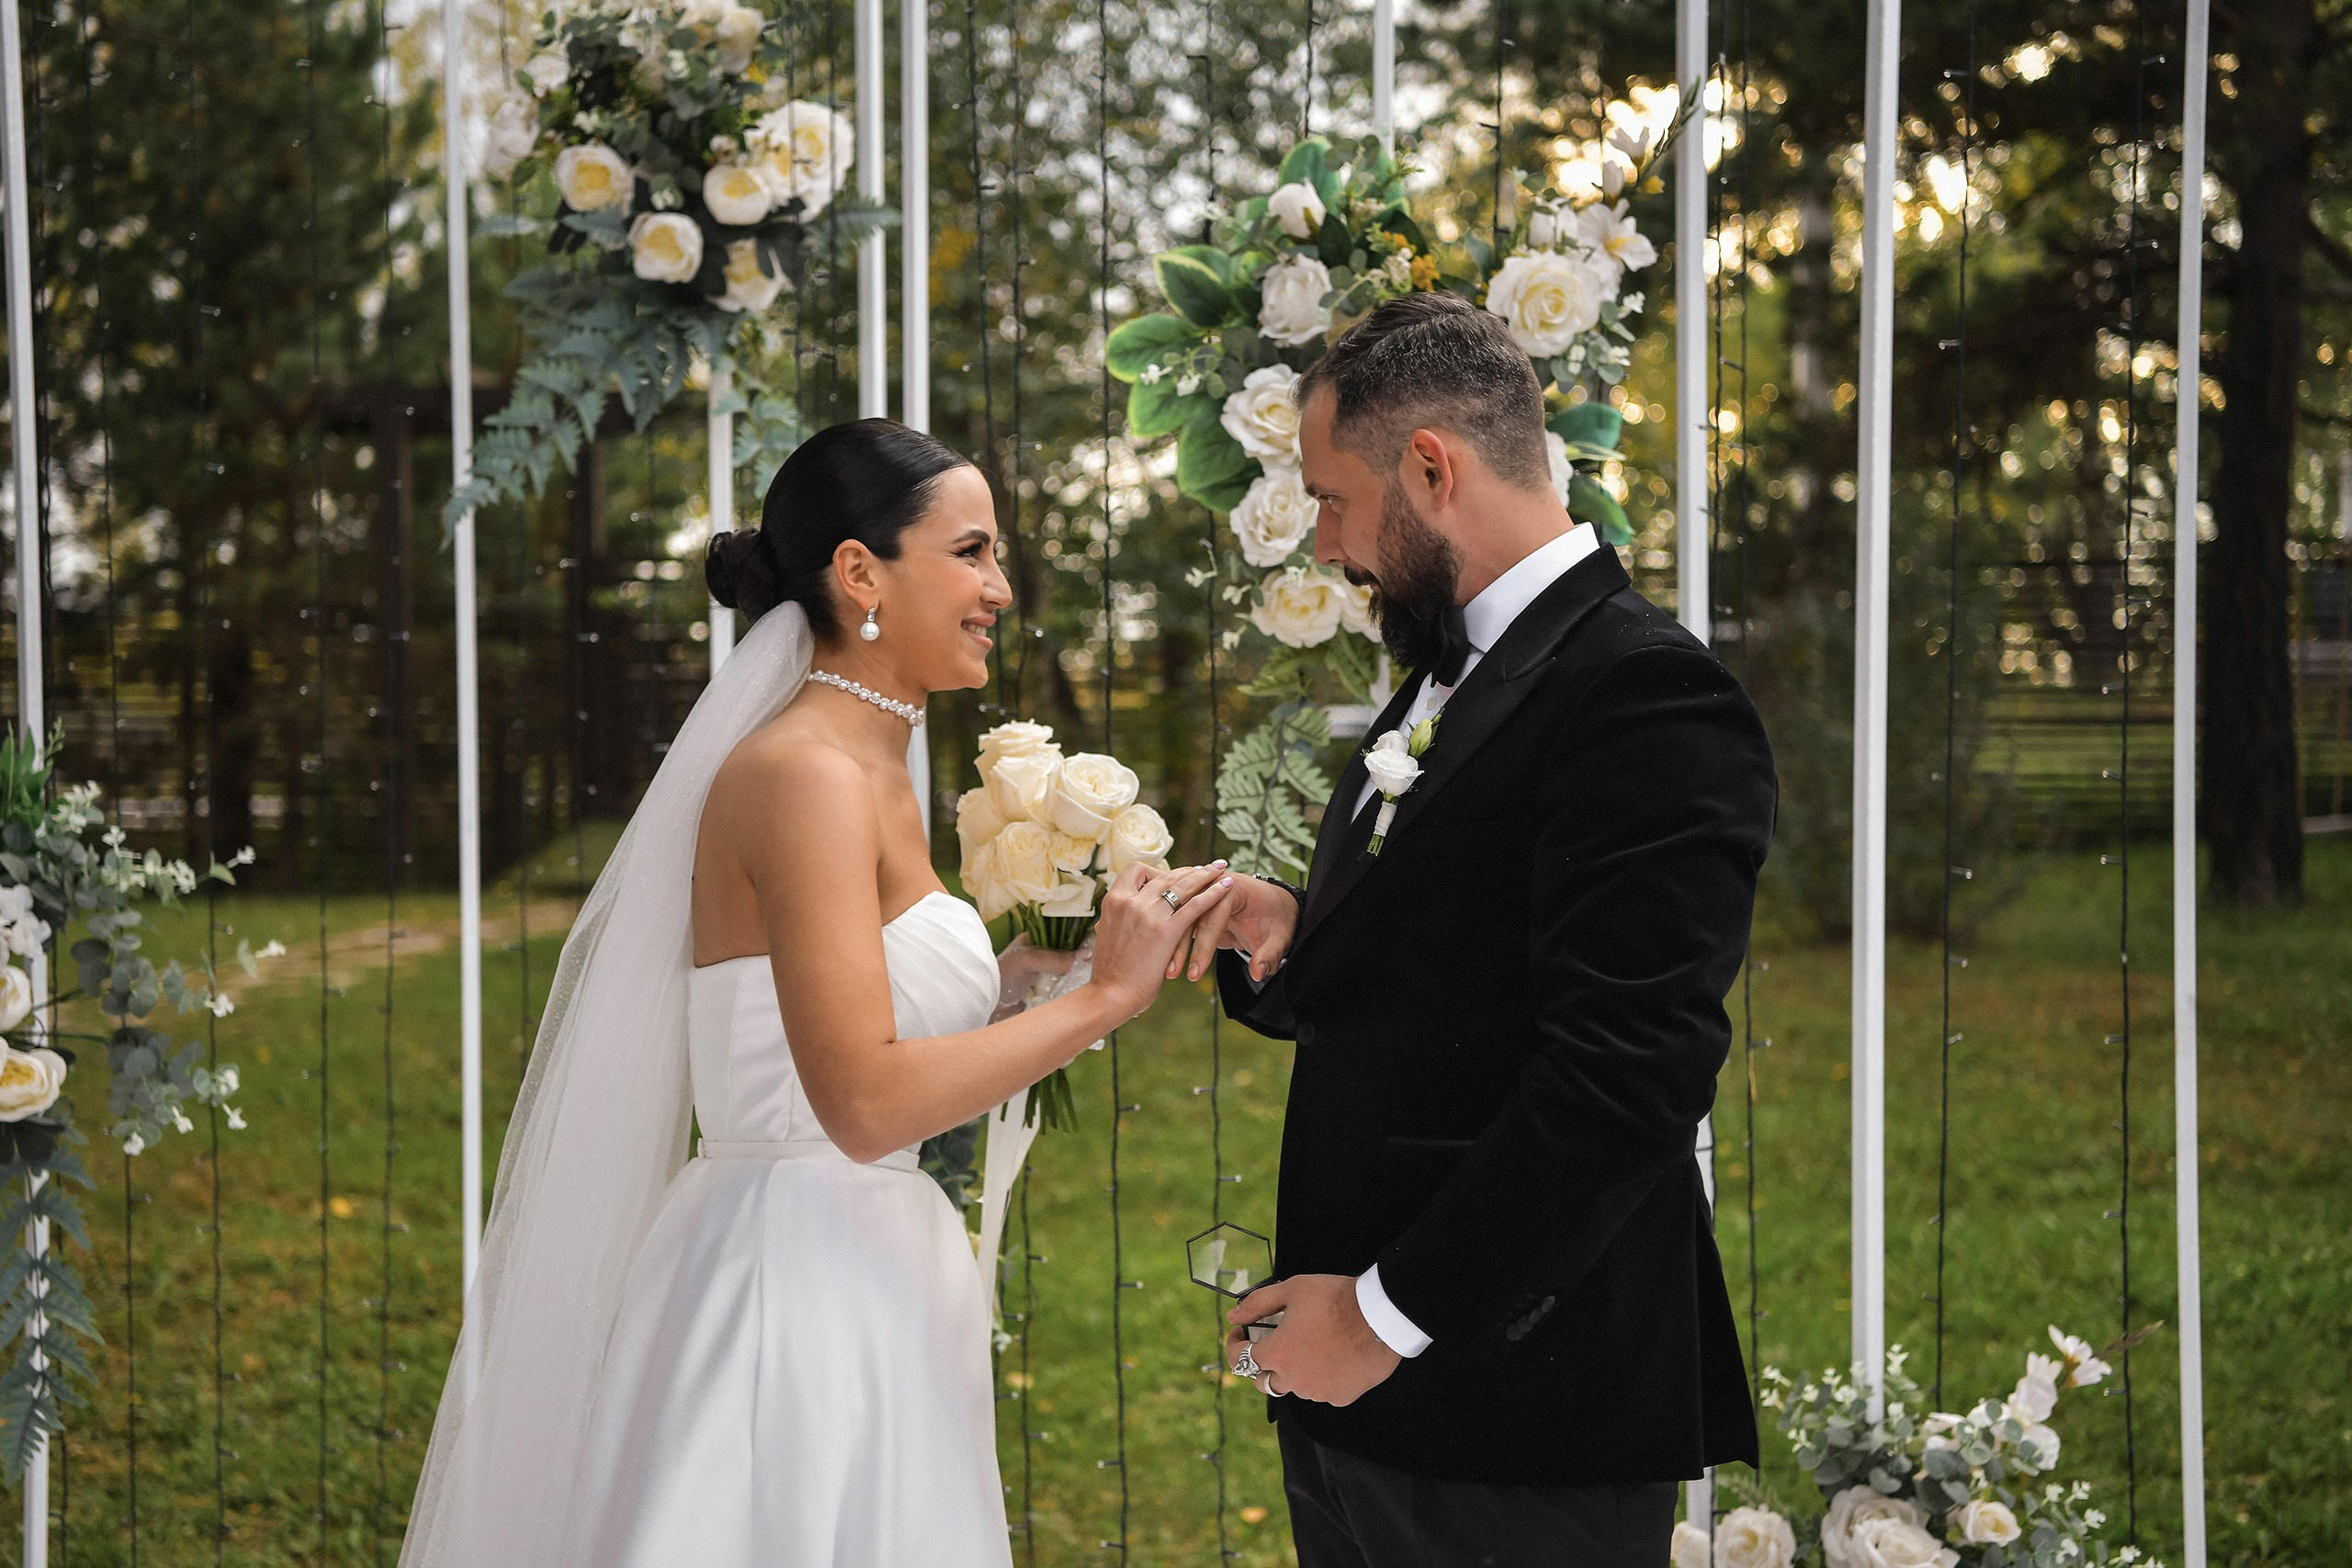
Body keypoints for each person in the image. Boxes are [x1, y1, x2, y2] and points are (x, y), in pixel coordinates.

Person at [399, 419, 1235, 1568]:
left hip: (869, 1271)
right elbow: (858, 1102)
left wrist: (1007, 990)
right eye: (971, 552)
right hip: (789, 1294)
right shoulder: (803, 775)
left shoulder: (869, 760)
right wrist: (1100, 1005)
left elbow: (827, 1022)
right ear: (859, 572)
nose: (1000, 587)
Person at [1173, 293, 1778, 1568]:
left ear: (1431, 468)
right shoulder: (1455, 666)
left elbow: (1627, 1078)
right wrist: (1298, 930)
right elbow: (1461, 953)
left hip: (1513, 1405)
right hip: (1366, 1402)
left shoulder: (1645, 692)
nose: (1328, 544)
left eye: (1335, 501)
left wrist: (1387, 1317)